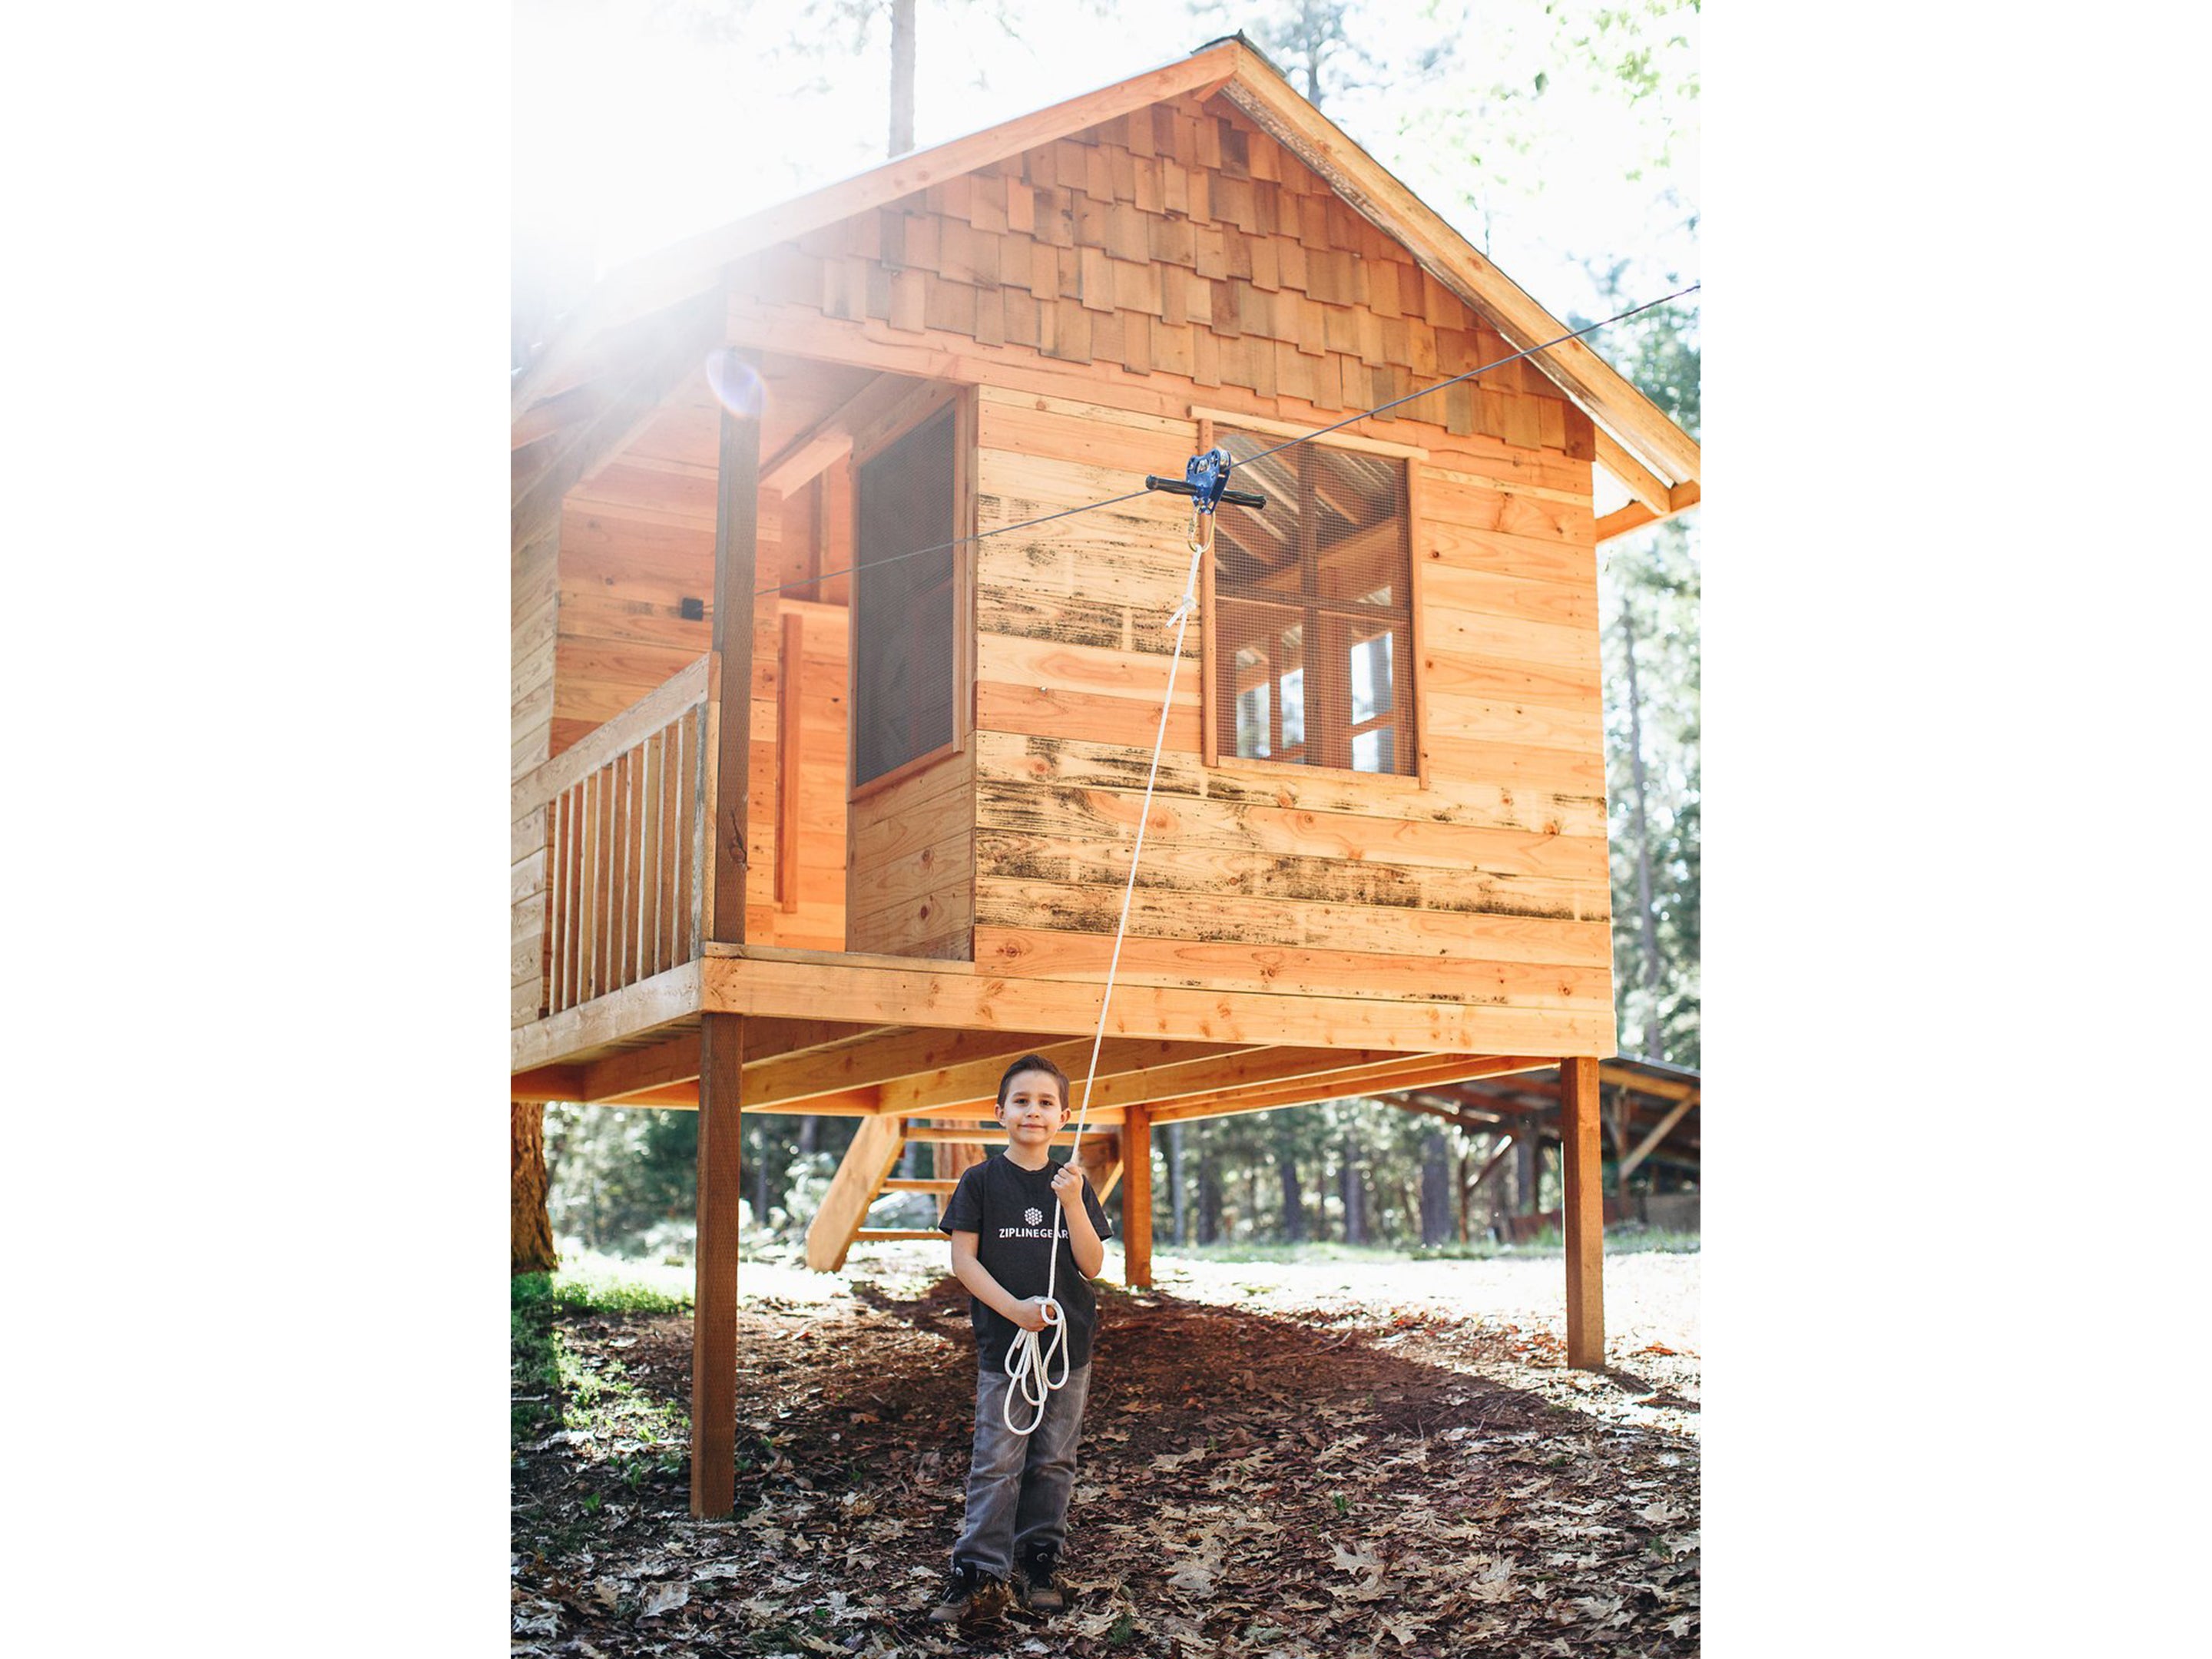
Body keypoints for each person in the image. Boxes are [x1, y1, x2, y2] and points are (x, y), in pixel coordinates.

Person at [928, 1054, 1112, 1623]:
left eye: (1046, 1103)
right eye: (1022, 1101)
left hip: (1066, 1347)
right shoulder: (980, 1181)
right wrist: (1014, 1310)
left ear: (1064, 1116)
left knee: (1054, 1458)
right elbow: (964, 1260)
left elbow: (1094, 1263)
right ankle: (978, 1571)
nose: (1034, 1112)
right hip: (1006, 1344)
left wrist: (1072, 1204)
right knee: (997, 1461)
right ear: (1000, 1112)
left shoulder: (1072, 1183)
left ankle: (1039, 1560)